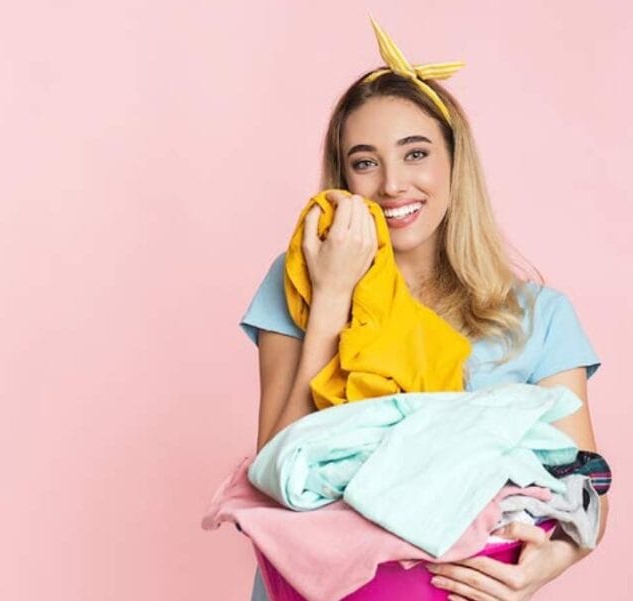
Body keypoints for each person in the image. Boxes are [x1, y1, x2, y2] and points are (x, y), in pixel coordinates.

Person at [238, 19, 609, 601]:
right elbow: (276, 476)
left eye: (416, 154)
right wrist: (332, 296)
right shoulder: (300, 281)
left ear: (455, 163)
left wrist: (546, 564)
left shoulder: (540, 318)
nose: (393, 184)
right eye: (365, 162)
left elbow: (585, 489)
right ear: (343, 178)